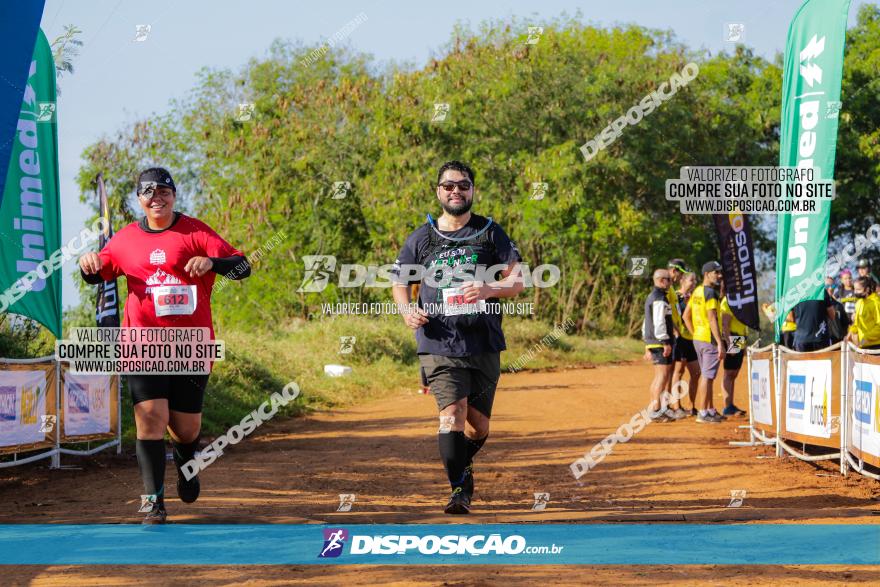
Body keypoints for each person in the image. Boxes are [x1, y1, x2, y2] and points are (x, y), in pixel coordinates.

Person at [79, 168, 251, 524]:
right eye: (148, 193)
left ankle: (187, 459)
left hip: (191, 344)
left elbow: (242, 266)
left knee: (185, 428)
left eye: (163, 191)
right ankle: (153, 502)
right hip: (142, 344)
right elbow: (99, 271)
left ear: (173, 195)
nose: (156, 198)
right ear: (139, 200)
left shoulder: (195, 231)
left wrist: (212, 262)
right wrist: (88, 264)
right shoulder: (125, 239)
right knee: (151, 418)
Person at [391, 160, 524, 515]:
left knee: (478, 426)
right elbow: (400, 282)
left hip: (482, 342)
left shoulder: (491, 232)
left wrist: (486, 288)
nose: (456, 191)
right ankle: (460, 490)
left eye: (463, 185)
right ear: (438, 191)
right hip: (437, 342)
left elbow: (518, 282)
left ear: (472, 191)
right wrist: (406, 311)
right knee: (451, 413)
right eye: (449, 186)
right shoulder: (422, 237)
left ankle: (461, 464)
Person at [683, 261, 725, 423]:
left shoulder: (698, 291)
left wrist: (695, 334)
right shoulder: (710, 293)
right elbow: (712, 318)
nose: (720, 276)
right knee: (708, 376)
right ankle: (703, 412)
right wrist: (720, 343)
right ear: (707, 274)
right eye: (717, 272)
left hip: (699, 339)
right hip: (710, 339)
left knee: (708, 375)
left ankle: (708, 410)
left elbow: (686, 315)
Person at [642, 269, 674, 423]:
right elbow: (659, 321)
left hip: (653, 340)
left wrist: (647, 342)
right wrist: (665, 341)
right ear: (662, 280)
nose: (671, 282)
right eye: (669, 279)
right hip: (659, 341)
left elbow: (646, 322)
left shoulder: (652, 296)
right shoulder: (659, 297)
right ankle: (655, 410)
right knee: (661, 376)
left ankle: (656, 408)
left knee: (659, 377)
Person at [662, 259, 689, 419]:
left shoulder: (672, 289)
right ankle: (666, 406)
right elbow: (665, 313)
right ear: (674, 271)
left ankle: (671, 405)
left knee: (672, 371)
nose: (681, 277)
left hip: (676, 334)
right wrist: (674, 330)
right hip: (670, 335)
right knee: (667, 372)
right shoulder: (667, 290)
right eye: (680, 274)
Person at [670, 269, 700, 416]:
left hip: (693, 340)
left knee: (696, 372)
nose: (694, 283)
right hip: (681, 339)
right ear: (683, 281)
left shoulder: (696, 297)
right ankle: (676, 405)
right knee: (679, 371)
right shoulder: (676, 296)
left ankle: (692, 406)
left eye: (695, 281)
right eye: (691, 280)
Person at [719, 286, 748, 417]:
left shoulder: (739, 301)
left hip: (740, 338)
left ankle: (730, 405)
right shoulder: (727, 301)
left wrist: (744, 343)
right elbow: (725, 324)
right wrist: (730, 343)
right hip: (733, 338)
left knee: (734, 373)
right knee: (729, 373)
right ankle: (727, 406)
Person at [847, 276, 880, 350]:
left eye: (858, 289)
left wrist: (866, 337)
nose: (855, 292)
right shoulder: (859, 302)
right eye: (854, 289)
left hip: (876, 346)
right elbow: (856, 323)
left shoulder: (876, 303)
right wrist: (851, 332)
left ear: (867, 289)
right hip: (863, 345)